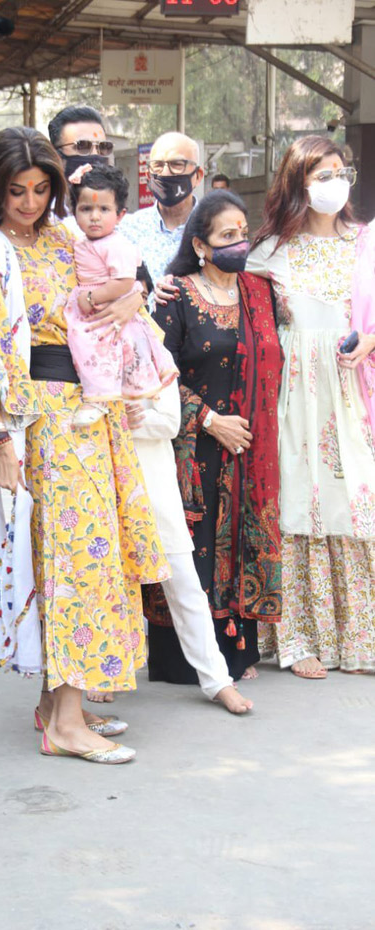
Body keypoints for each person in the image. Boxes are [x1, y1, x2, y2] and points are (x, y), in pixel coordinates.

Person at [0, 126, 169, 764]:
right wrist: (1, 439)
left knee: (83, 559)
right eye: (16, 190)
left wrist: (130, 299)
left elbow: (119, 285)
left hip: (86, 411)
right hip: (34, 418)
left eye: (41, 189)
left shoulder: (61, 238)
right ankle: (66, 723)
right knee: (73, 565)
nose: (28, 202)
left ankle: (58, 705)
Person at [248, 135, 375, 678]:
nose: (334, 182)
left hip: (350, 392)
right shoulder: (269, 250)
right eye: (320, 174)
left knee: (355, 500)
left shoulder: (365, 242)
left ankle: (359, 637)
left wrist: (369, 340)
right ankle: (296, 638)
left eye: (339, 171)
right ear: (296, 182)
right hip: (292, 396)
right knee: (298, 501)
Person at [152, 190, 283, 683]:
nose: (240, 243)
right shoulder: (177, 295)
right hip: (194, 447)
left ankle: (236, 655)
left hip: (249, 447)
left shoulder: (261, 292)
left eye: (243, 233)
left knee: (237, 544)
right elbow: (156, 376)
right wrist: (210, 420)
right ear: (202, 246)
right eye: (227, 236)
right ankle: (184, 659)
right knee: (195, 547)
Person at [125, 379, 253, 714]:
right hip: (101, 478)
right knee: (108, 584)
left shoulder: (153, 348)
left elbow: (169, 422)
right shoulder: (83, 341)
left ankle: (217, 681)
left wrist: (128, 419)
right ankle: (105, 678)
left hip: (153, 482)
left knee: (185, 585)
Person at [66, 164, 177, 425]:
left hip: (110, 307)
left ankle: (100, 399)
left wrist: (92, 299)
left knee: (98, 350)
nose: (94, 216)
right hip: (93, 305)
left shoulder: (116, 244)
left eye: (103, 209)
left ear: (120, 215)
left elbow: (126, 281)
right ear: (74, 213)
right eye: (86, 209)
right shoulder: (82, 241)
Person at [120, 131, 204, 305]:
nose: (165, 173)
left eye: (177, 164)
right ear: (148, 176)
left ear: (198, 176)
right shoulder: (127, 230)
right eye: (157, 165)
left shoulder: (212, 229)